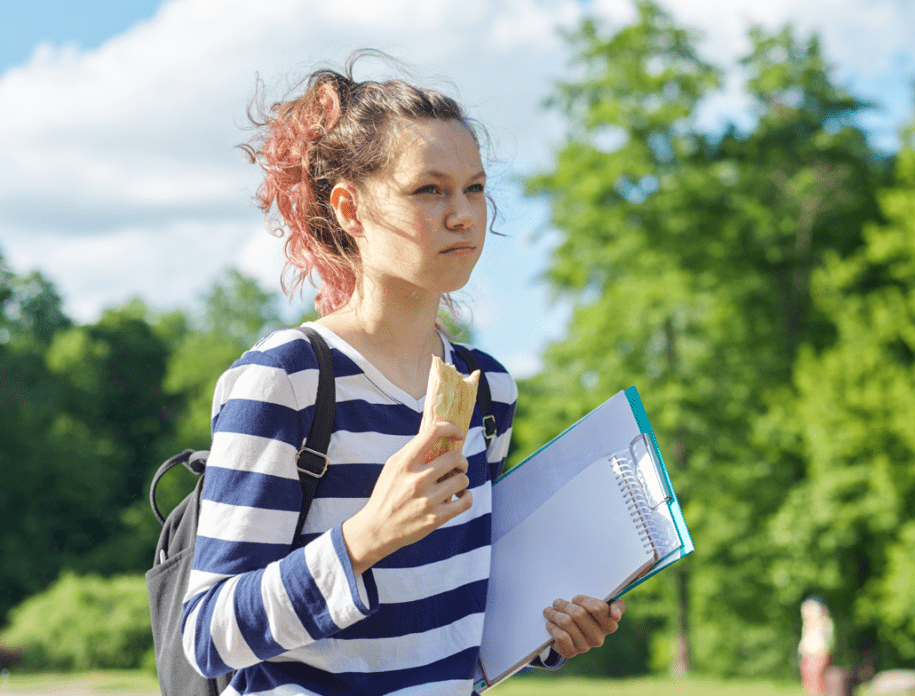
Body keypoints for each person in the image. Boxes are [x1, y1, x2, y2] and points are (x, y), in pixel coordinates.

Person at [181, 53, 624, 695]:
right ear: (351, 210)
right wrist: (366, 537)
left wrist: (552, 630)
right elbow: (208, 634)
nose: (464, 214)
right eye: (429, 190)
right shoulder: (286, 381)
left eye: (474, 188)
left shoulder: (488, 389)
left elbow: (458, 614)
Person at [798, 596, 834, 695]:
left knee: (817, 685)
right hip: (807, 656)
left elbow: (825, 644)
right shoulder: (807, 625)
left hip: (818, 656)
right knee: (809, 684)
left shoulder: (824, 623)